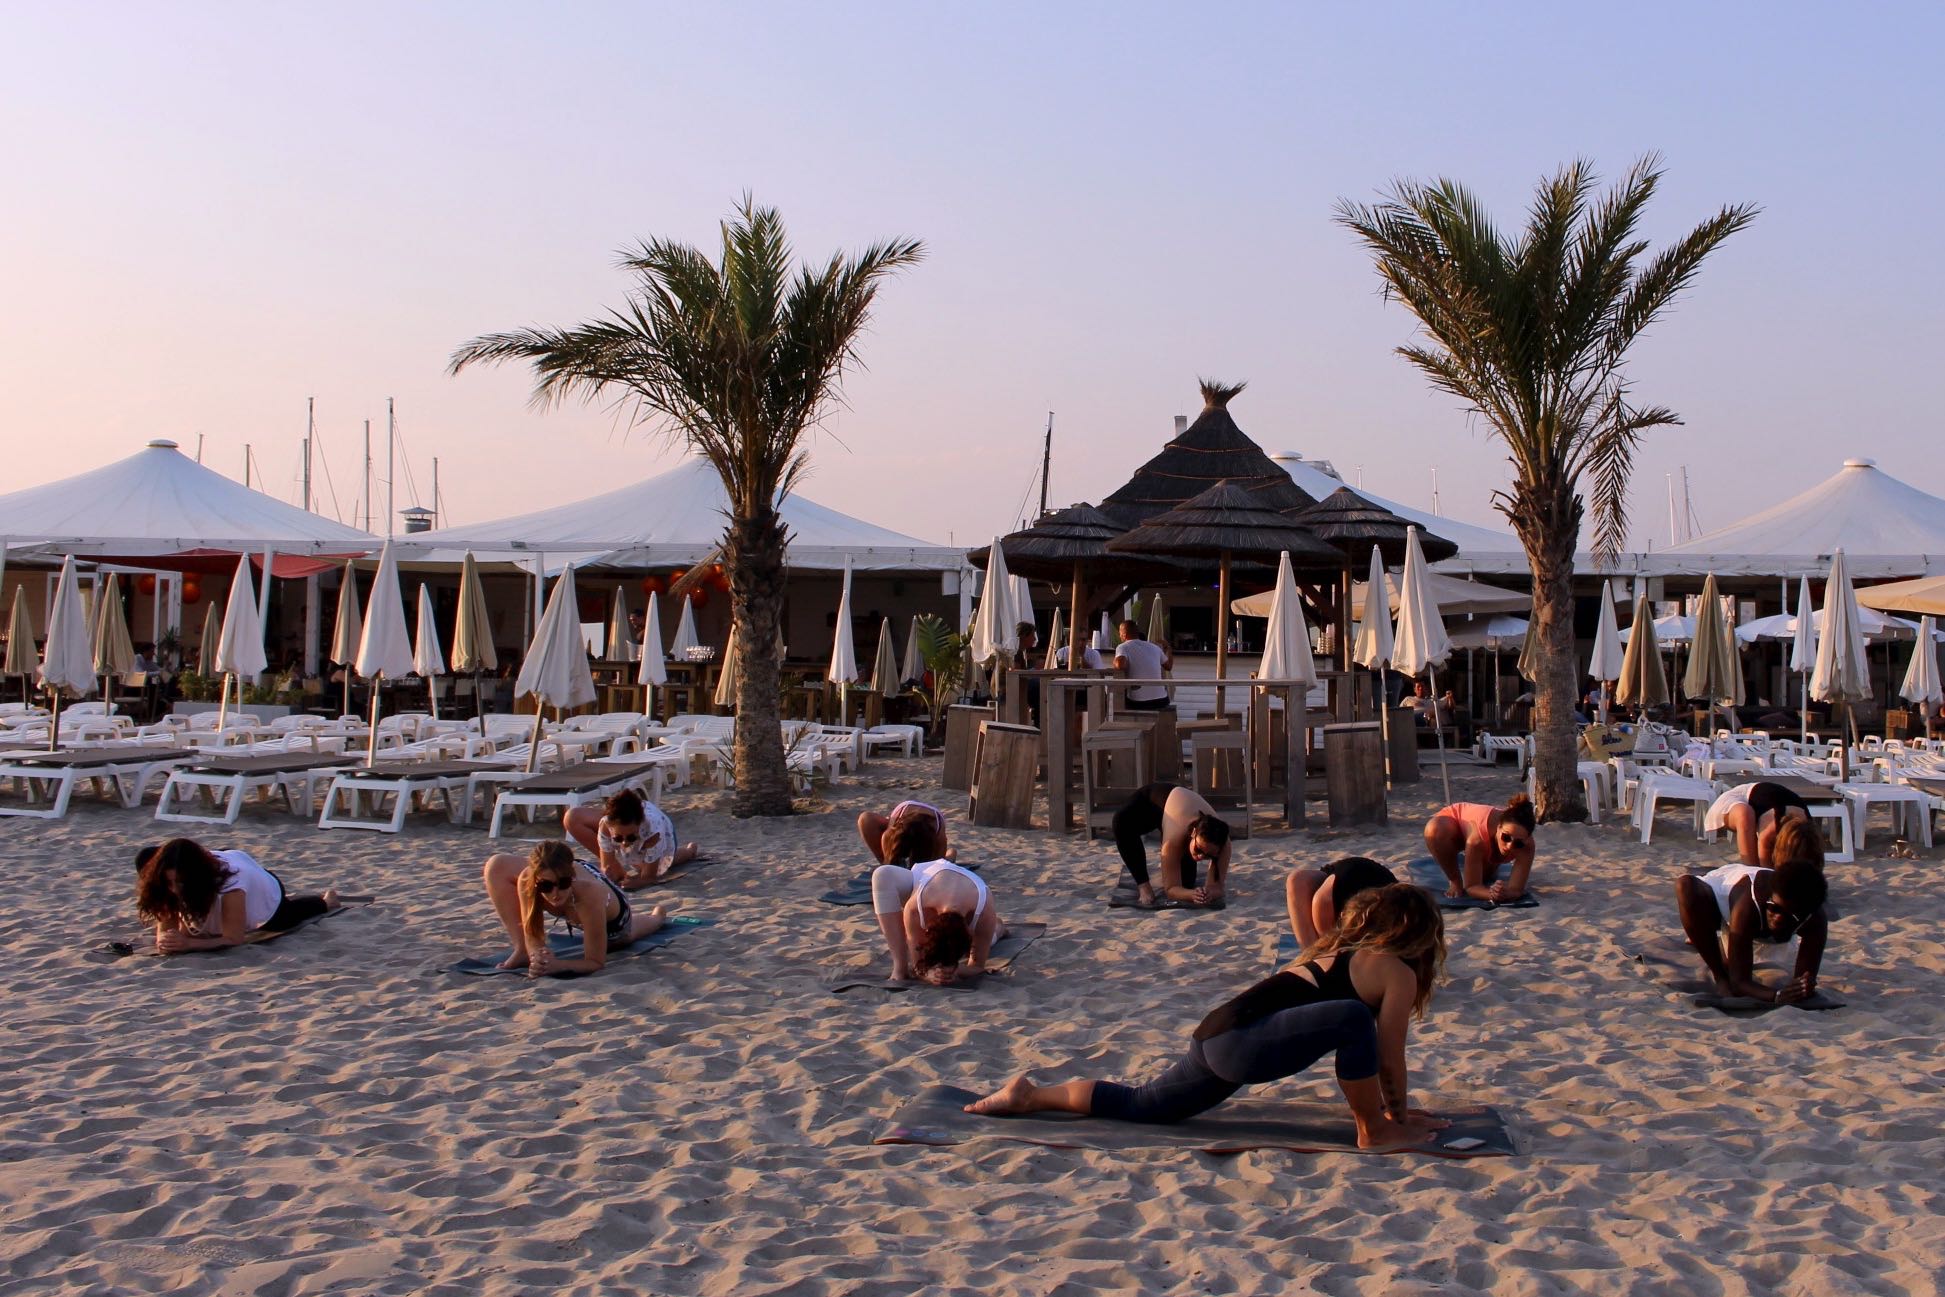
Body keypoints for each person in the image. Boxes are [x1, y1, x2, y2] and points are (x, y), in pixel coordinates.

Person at [965, 884, 1448, 1149]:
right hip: (1242, 1042)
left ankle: (1030, 1095)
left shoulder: (1336, 954)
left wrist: (1396, 1108)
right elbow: (1388, 1056)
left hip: (1218, 1035)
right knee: (1351, 1018)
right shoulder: (1395, 972)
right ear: (1418, 936)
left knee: (1142, 1105)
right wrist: (1395, 1118)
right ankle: (1374, 1133)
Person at [1674, 818, 1829, 1004]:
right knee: (1685, 886)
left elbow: (1804, 980)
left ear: (1805, 916)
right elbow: (1739, 982)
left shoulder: (1816, 919)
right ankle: (1718, 974)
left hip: (1764, 917)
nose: (1778, 917)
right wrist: (1776, 996)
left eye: (1788, 914)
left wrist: (1802, 986)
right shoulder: (1750, 905)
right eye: (1774, 908)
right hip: (1718, 905)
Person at [482, 841, 669, 976]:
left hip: (614, 920)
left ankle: (657, 916)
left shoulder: (589, 894)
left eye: (562, 884)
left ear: (571, 877)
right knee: (496, 865)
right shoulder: (529, 880)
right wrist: (537, 954)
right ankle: (520, 950)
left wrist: (558, 965)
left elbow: (595, 962)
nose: (555, 893)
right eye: (546, 887)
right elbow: (533, 933)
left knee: (627, 936)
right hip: (572, 884)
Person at [135, 838, 344, 954]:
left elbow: (234, 938)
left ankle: (326, 901)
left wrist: (189, 944)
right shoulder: (174, 878)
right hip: (224, 859)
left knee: (284, 917)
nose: (173, 889)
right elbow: (167, 920)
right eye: (169, 883)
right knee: (145, 858)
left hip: (264, 886)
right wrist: (166, 937)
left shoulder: (232, 885)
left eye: (178, 883)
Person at [871, 853, 1005, 984]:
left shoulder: (984, 911)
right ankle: (899, 968)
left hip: (965, 891)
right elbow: (917, 963)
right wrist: (926, 973)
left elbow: (977, 966)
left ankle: (998, 929)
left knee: (986, 937)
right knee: (882, 875)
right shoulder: (914, 909)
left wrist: (956, 970)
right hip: (928, 875)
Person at [1112, 781, 1233, 908]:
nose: (1200, 857)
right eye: (1198, 850)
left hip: (1182, 810)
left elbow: (1217, 888)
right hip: (1152, 802)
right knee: (1120, 821)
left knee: (1187, 883)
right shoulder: (1175, 838)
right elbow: (1170, 889)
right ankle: (1143, 885)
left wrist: (1208, 893)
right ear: (1193, 833)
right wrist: (1191, 895)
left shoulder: (1223, 845)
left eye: (1208, 855)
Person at [563, 789, 697, 888]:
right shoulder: (605, 824)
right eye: (618, 838)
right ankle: (631, 847)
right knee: (623, 869)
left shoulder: (653, 830)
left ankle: (689, 851)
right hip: (630, 827)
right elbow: (606, 865)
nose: (625, 843)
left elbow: (649, 877)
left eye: (631, 838)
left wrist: (635, 882)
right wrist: (610, 872)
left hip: (664, 835)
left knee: (662, 863)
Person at [1423, 794, 1537, 903]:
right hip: (1456, 823)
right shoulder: (1478, 838)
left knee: (1485, 877)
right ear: (1498, 827)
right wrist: (1490, 894)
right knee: (1435, 830)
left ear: (1527, 839)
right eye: (1506, 837)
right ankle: (1454, 881)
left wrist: (1504, 893)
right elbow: (1471, 886)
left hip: (1485, 841)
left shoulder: (1527, 845)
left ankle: (1487, 862)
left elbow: (1516, 890)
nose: (1509, 846)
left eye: (1518, 844)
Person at [1285, 856, 1399, 946]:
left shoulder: (1325, 903)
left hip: (1373, 886)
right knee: (1296, 879)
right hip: (1350, 875)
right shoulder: (1326, 900)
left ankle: (1313, 955)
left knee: (1325, 944)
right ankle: (1310, 955)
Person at [1703, 779, 1812, 867]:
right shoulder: (1773, 825)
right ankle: (1751, 874)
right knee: (1745, 815)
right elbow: (1764, 855)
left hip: (1767, 795)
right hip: (1739, 797)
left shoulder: (1809, 830)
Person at [857, 799, 952, 866]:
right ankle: (886, 865)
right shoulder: (891, 831)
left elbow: (939, 865)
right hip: (903, 814)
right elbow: (867, 820)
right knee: (865, 819)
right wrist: (888, 862)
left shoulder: (938, 836)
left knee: (942, 865)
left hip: (930, 827)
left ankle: (951, 854)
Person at [1113, 620, 1172, 711]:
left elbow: (1120, 665)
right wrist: (1169, 649)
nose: (1119, 635)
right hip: (1162, 700)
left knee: (1119, 701)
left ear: (1124, 634)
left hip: (1139, 701)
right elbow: (1168, 667)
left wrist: (1115, 661)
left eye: (1120, 633)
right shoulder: (1154, 647)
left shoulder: (1123, 647)